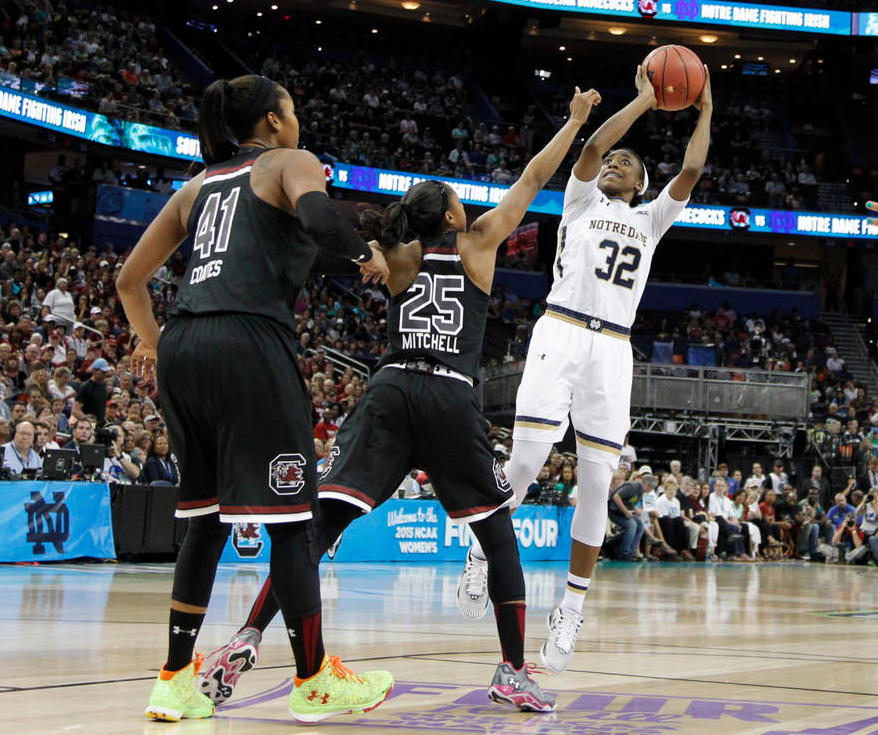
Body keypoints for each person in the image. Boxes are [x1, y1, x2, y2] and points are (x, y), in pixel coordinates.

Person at [197, 85, 601, 715]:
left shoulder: (394, 254)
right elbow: (534, 175)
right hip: (447, 393)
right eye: (462, 203)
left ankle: (245, 638)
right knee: (496, 535)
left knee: (320, 527)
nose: (470, 207)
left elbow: (318, 234)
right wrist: (574, 121)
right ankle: (514, 671)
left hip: (388, 391)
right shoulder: (478, 244)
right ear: (449, 218)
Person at [116, 73, 393, 724]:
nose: (296, 121)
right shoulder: (289, 161)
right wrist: (366, 254)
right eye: (292, 110)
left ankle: (174, 678)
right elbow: (320, 216)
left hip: (182, 345)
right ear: (271, 121)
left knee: (205, 520)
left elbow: (129, 280)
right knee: (294, 521)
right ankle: (313, 678)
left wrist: (158, 347)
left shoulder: (196, 185)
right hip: (250, 341)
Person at [458, 63, 712, 674]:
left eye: (628, 163)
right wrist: (645, 102)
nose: (616, 164)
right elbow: (594, 143)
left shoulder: (652, 218)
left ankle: (572, 609)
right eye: (613, 162)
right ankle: (479, 551)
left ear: (643, 182)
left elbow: (693, 170)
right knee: (523, 463)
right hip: (561, 329)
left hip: (613, 351)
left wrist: (703, 113)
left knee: (597, 482)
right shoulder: (581, 197)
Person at [73, 358, 111, 424]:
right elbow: (75, 410)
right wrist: (88, 422)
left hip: (100, 423)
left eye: (106, 372)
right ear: (94, 371)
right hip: (90, 424)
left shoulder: (103, 385)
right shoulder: (86, 387)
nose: (104, 375)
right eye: (102, 372)